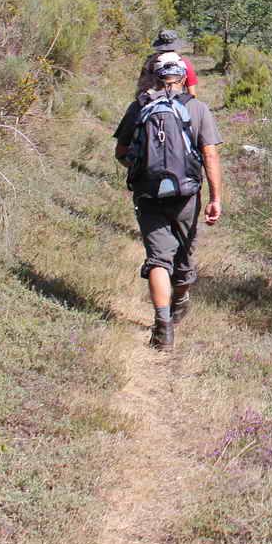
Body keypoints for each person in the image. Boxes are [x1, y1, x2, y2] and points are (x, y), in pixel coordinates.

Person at [113, 56, 224, 349]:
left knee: (158, 260)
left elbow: (121, 151)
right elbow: (210, 155)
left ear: (154, 79)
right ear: (184, 80)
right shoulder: (196, 108)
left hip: (147, 194)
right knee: (184, 259)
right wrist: (216, 198)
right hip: (186, 194)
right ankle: (180, 300)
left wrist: (140, 168)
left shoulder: (138, 107)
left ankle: (163, 331)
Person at [137, 29, 198, 97]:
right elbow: (192, 93)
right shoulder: (184, 62)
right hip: (179, 100)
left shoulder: (149, 62)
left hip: (154, 98)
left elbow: (142, 87)